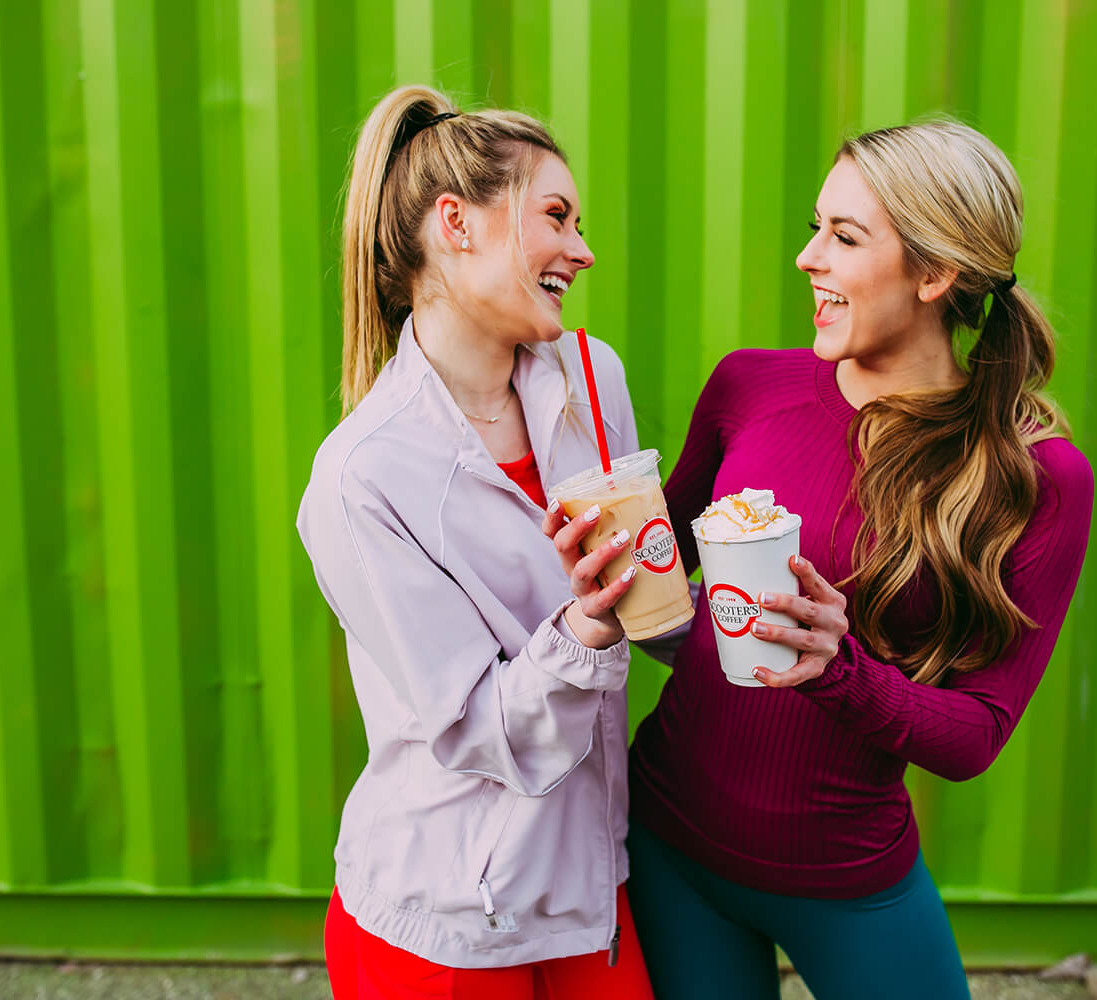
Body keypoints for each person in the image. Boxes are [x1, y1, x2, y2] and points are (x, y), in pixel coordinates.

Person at [624, 119, 1095, 1000]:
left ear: (935, 273)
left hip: (849, 879)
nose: (808, 257)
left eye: (843, 237)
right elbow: (658, 565)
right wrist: (599, 554)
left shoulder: (1034, 475)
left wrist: (837, 672)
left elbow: (976, 734)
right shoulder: (747, 387)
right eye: (817, 227)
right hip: (668, 842)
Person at [297, 85, 656, 999]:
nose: (582, 250)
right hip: (448, 917)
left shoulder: (590, 374)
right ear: (455, 224)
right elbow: (482, 730)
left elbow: (653, 601)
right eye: (556, 216)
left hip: (589, 886)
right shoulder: (361, 478)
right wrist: (588, 628)